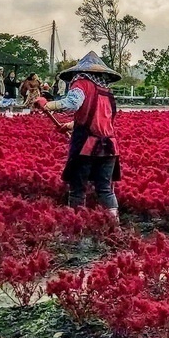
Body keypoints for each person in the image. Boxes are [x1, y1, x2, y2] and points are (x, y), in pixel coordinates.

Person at [41, 51, 121, 218]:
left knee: (78, 187)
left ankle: (76, 223)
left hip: (87, 146)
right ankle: (114, 225)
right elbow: (103, 119)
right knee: (105, 188)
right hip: (109, 147)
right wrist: (72, 125)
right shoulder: (106, 90)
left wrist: (48, 104)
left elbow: (72, 103)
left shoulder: (81, 83)